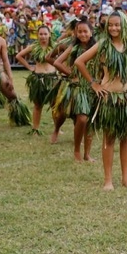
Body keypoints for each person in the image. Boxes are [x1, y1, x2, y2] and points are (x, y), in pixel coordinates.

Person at [74, 11, 127, 190]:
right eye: (111, 25)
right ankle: (108, 180)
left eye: (117, 24)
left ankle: (126, 179)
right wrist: (94, 84)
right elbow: (79, 62)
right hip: (109, 99)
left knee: (126, 139)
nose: (114, 28)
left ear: (123, 25)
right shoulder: (102, 45)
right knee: (109, 139)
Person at [52, 21, 97, 162]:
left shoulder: (97, 47)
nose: (83, 34)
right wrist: (71, 73)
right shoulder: (73, 47)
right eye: (80, 31)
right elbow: (57, 62)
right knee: (82, 118)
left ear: (91, 32)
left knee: (91, 121)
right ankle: (77, 150)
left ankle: (87, 154)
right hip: (78, 87)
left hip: (93, 87)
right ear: (76, 33)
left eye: (86, 31)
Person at [15, 25, 59, 135]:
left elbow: (64, 58)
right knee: (38, 105)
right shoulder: (34, 46)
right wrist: (29, 67)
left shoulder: (55, 46)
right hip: (38, 79)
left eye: (45, 34)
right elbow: (19, 56)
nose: (43, 36)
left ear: (49, 35)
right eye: (41, 34)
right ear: (37, 35)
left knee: (54, 105)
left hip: (52, 78)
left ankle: (57, 129)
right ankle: (35, 128)